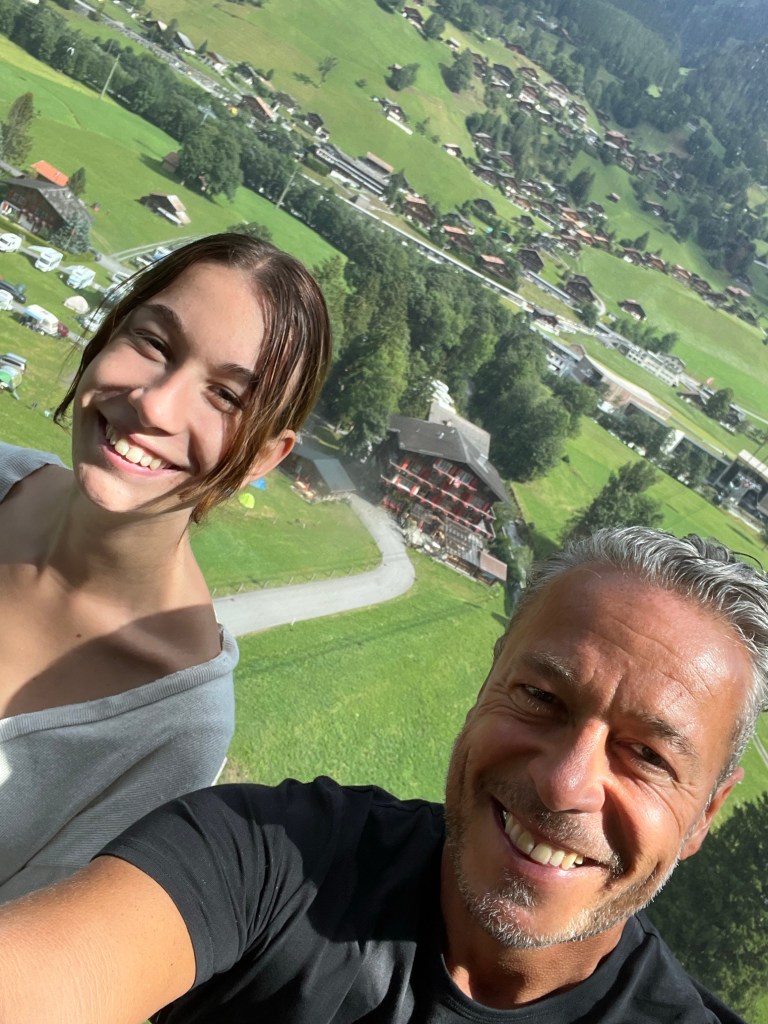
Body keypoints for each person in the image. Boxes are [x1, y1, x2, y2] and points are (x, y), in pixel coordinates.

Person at [1, 527, 765, 1023]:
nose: (565, 784)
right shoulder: (270, 857)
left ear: (705, 814)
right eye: (541, 698)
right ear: (487, 681)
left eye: (648, 756)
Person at [0, 232, 331, 903]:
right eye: (154, 343)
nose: (155, 405)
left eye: (227, 397)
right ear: (111, 331)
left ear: (265, 457)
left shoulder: (177, 730)